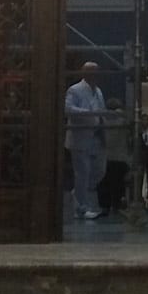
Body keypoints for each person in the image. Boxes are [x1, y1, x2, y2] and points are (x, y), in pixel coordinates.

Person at [64, 61, 106, 220]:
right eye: (92, 72)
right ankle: (81, 207)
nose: (95, 75)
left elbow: (101, 112)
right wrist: (88, 114)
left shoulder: (99, 91)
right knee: (82, 172)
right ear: (85, 73)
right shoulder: (75, 90)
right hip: (79, 138)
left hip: (95, 137)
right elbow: (68, 109)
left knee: (99, 170)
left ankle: (79, 193)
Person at [98, 99, 130, 213]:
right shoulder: (123, 120)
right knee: (118, 184)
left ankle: (106, 205)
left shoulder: (104, 120)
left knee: (106, 183)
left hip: (108, 156)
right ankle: (117, 204)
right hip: (121, 157)